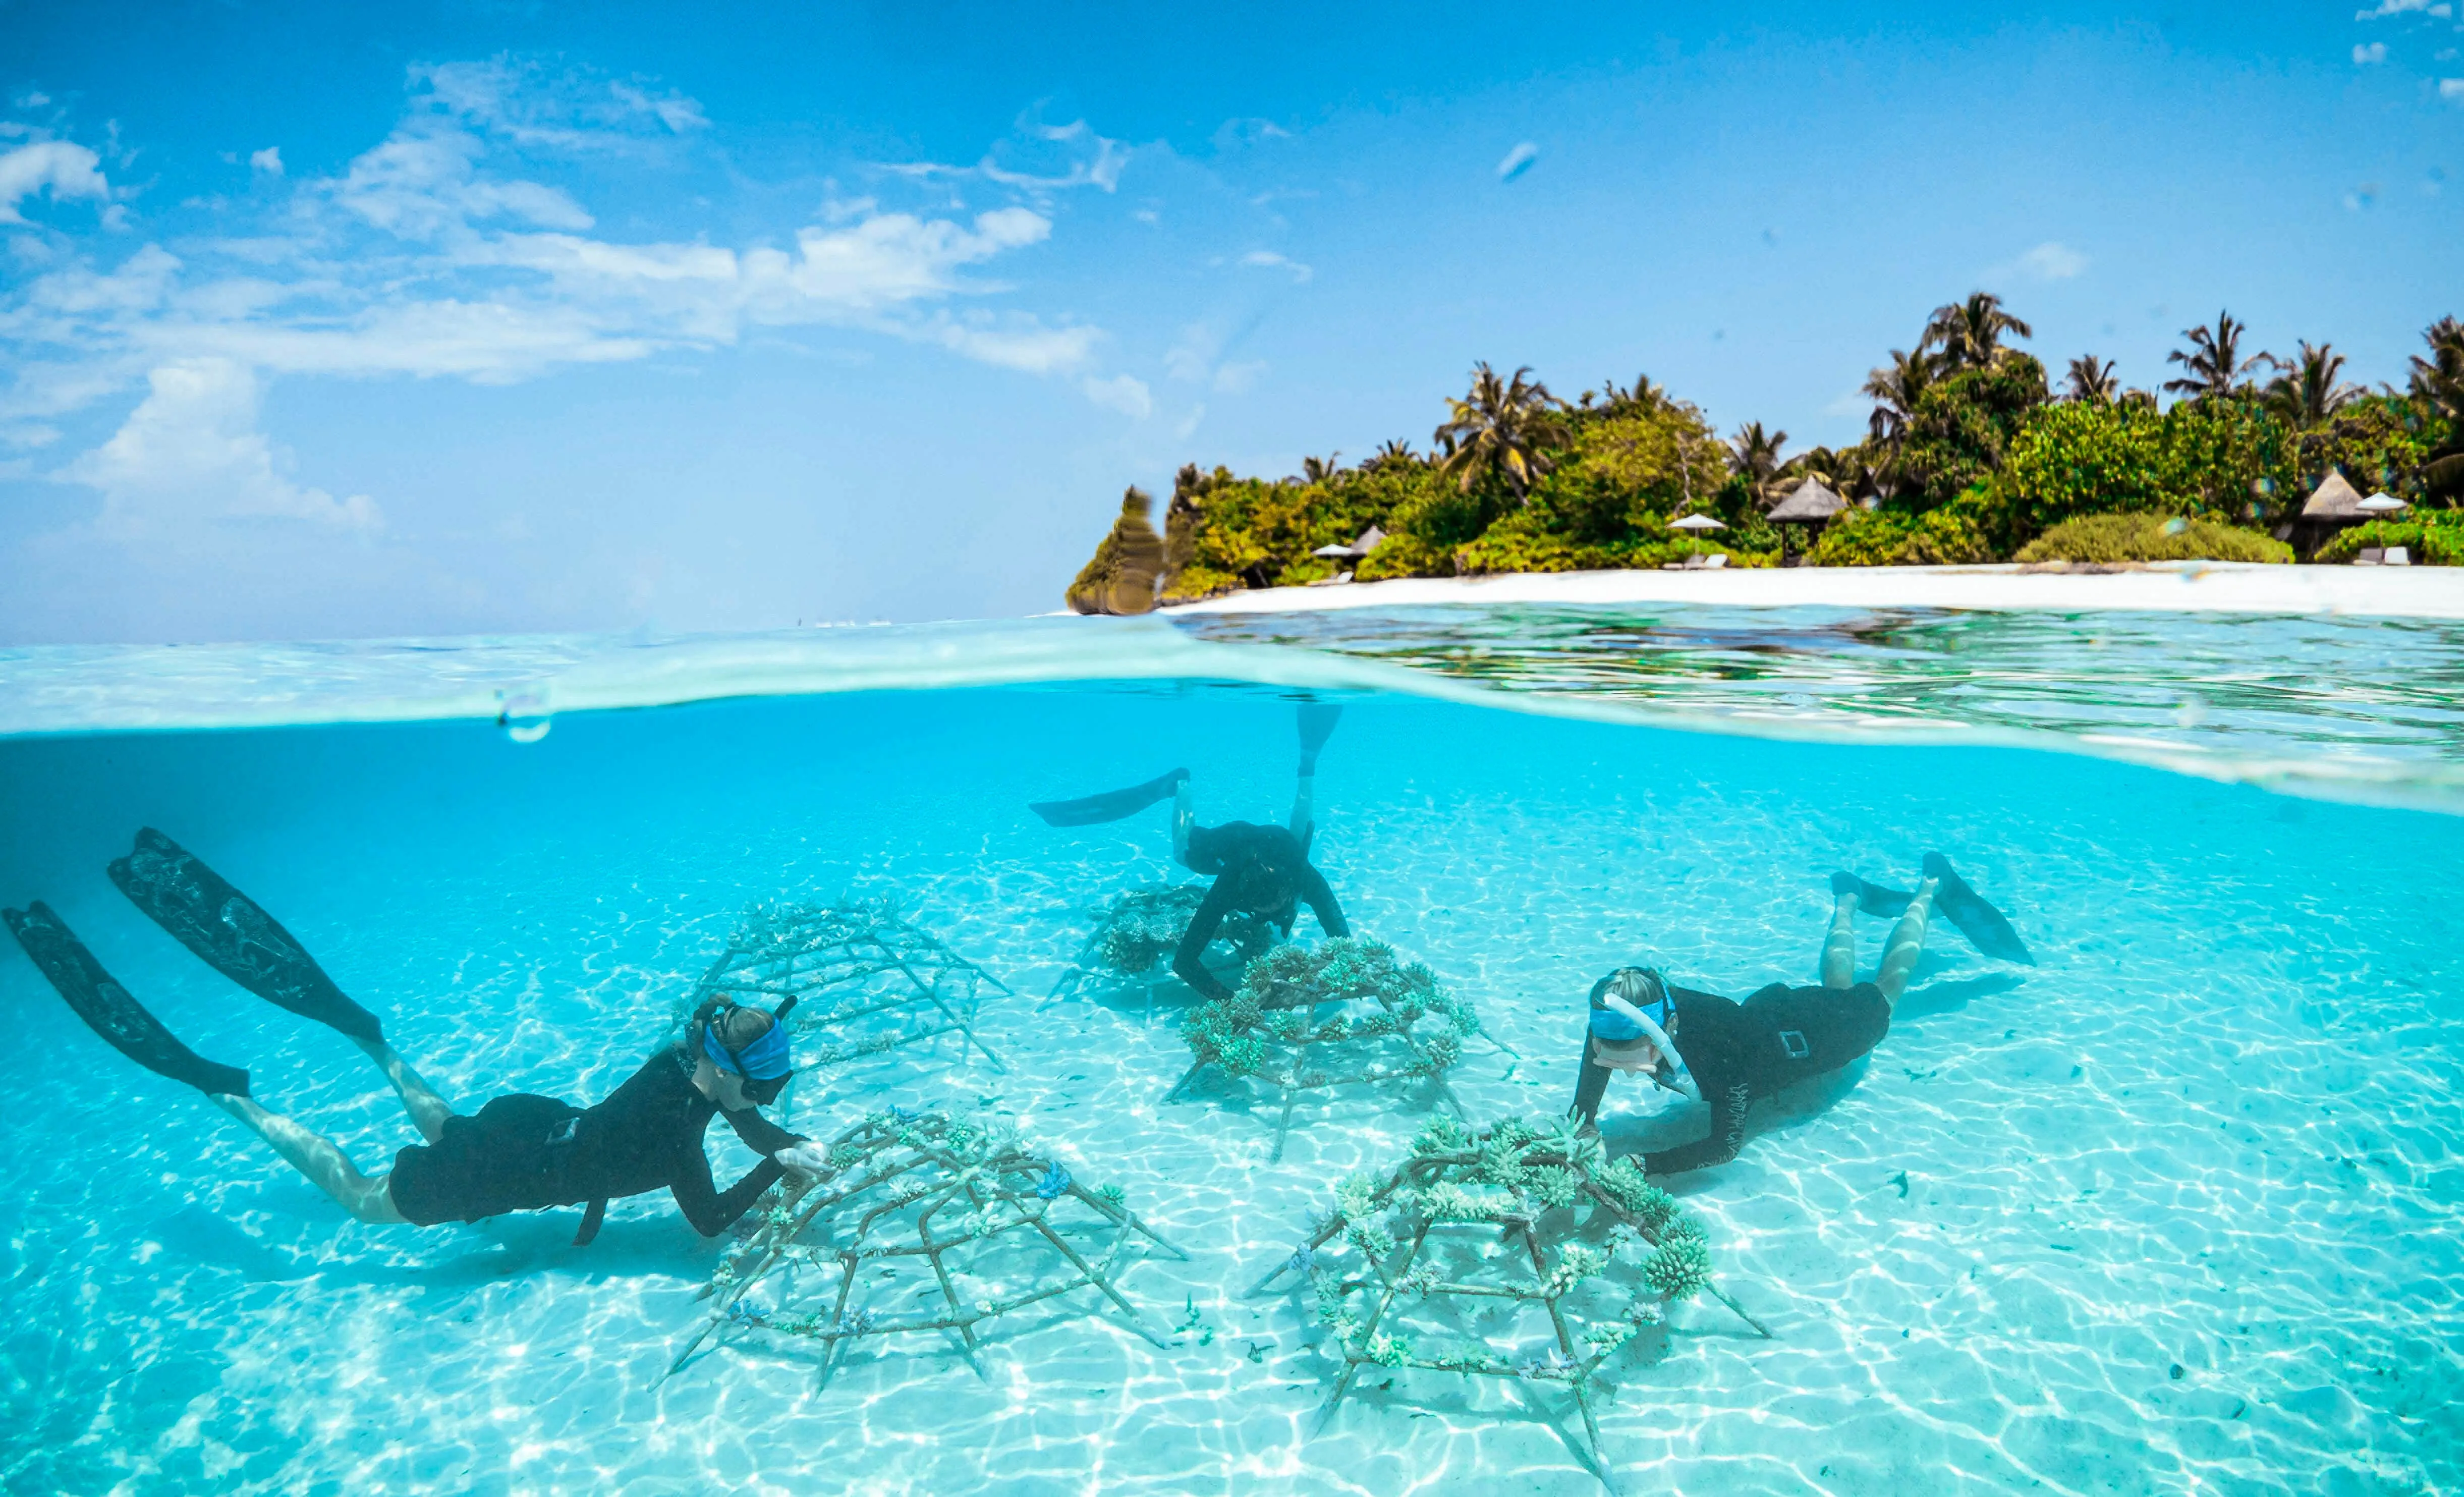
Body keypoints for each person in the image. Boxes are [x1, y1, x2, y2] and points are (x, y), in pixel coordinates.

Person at [5, 828, 829, 1242]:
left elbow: (749, 1123)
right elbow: (712, 1221)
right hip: (511, 1164)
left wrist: (789, 1143)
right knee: (363, 1199)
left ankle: (372, 1041)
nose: (766, 1099)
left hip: (531, 1123)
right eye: (763, 1084)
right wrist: (778, 1165)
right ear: (723, 1072)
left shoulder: (678, 1067)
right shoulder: (678, 1140)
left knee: (448, 1125)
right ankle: (234, 1095)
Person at [1570, 853, 2033, 1176]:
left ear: (1667, 1028)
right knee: (1837, 988)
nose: (1627, 1074)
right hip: (1770, 1012)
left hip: (1819, 1041)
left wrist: (1647, 1164)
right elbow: (1599, 1052)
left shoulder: (1725, 1064)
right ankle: (1849, 899)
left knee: (1887, 985)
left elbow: (1725, 1147)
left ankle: (1932, 888)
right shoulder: (1639, 1011)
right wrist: (1585, 1120)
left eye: (1634, 1060)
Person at [1028, 702, 1349, 1001]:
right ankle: (1179, 785)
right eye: (1261, 910)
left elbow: (1342, 940)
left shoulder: (1305, 877)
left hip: (1283, 848)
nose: (1265, 916)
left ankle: (1308, 763)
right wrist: (1234, 1003)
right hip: (1230, 842)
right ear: (1244, 896)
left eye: (1271, 908)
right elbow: (1184, 962)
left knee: (1298, 839)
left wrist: (1336, 979)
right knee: (1182, 854)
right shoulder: (1229, 883)